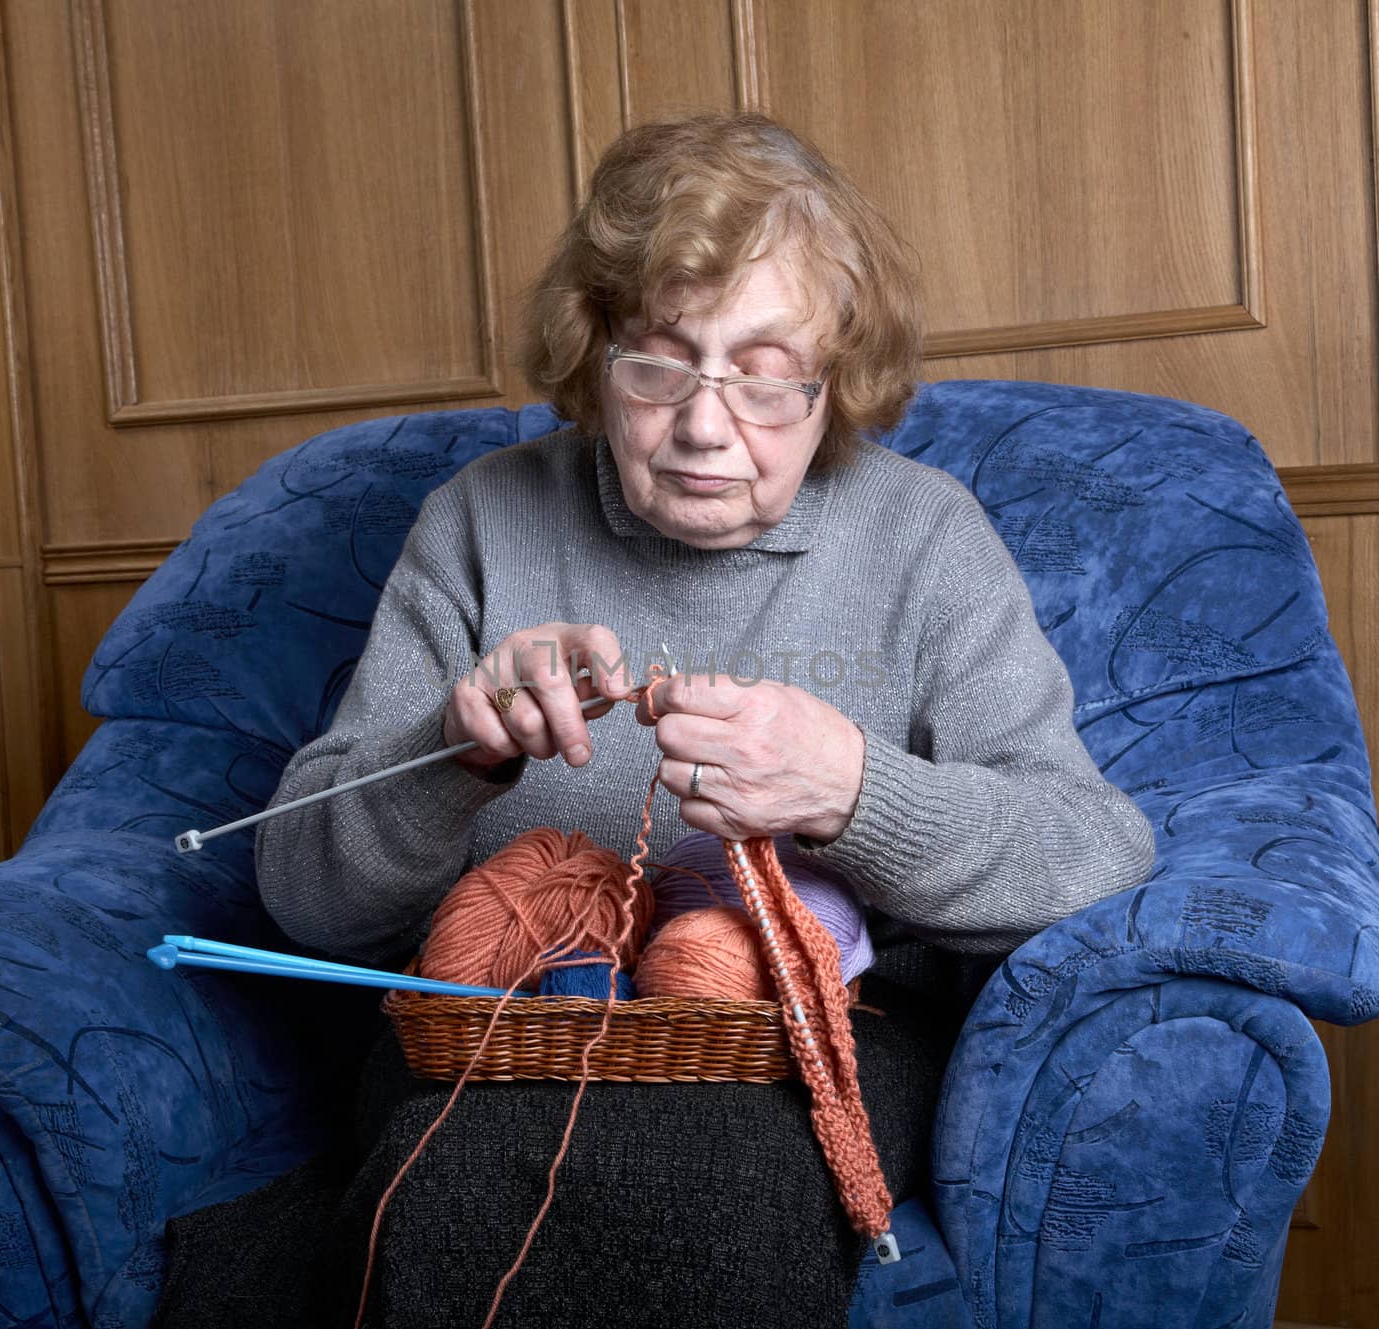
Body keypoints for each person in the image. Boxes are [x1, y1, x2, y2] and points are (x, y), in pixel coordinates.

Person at [157, 111, 1154, 1329]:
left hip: (804, 1047)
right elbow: (304, 897)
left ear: (834, 378)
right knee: (454, 1198)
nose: (700, 424)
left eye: (767, 373)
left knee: (722, 1188)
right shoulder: (481, 520)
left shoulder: (925, 536)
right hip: (501, 1039)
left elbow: (1093, 852)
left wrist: (853, 796)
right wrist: (453, 755)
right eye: (659, 363)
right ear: (595, 358)